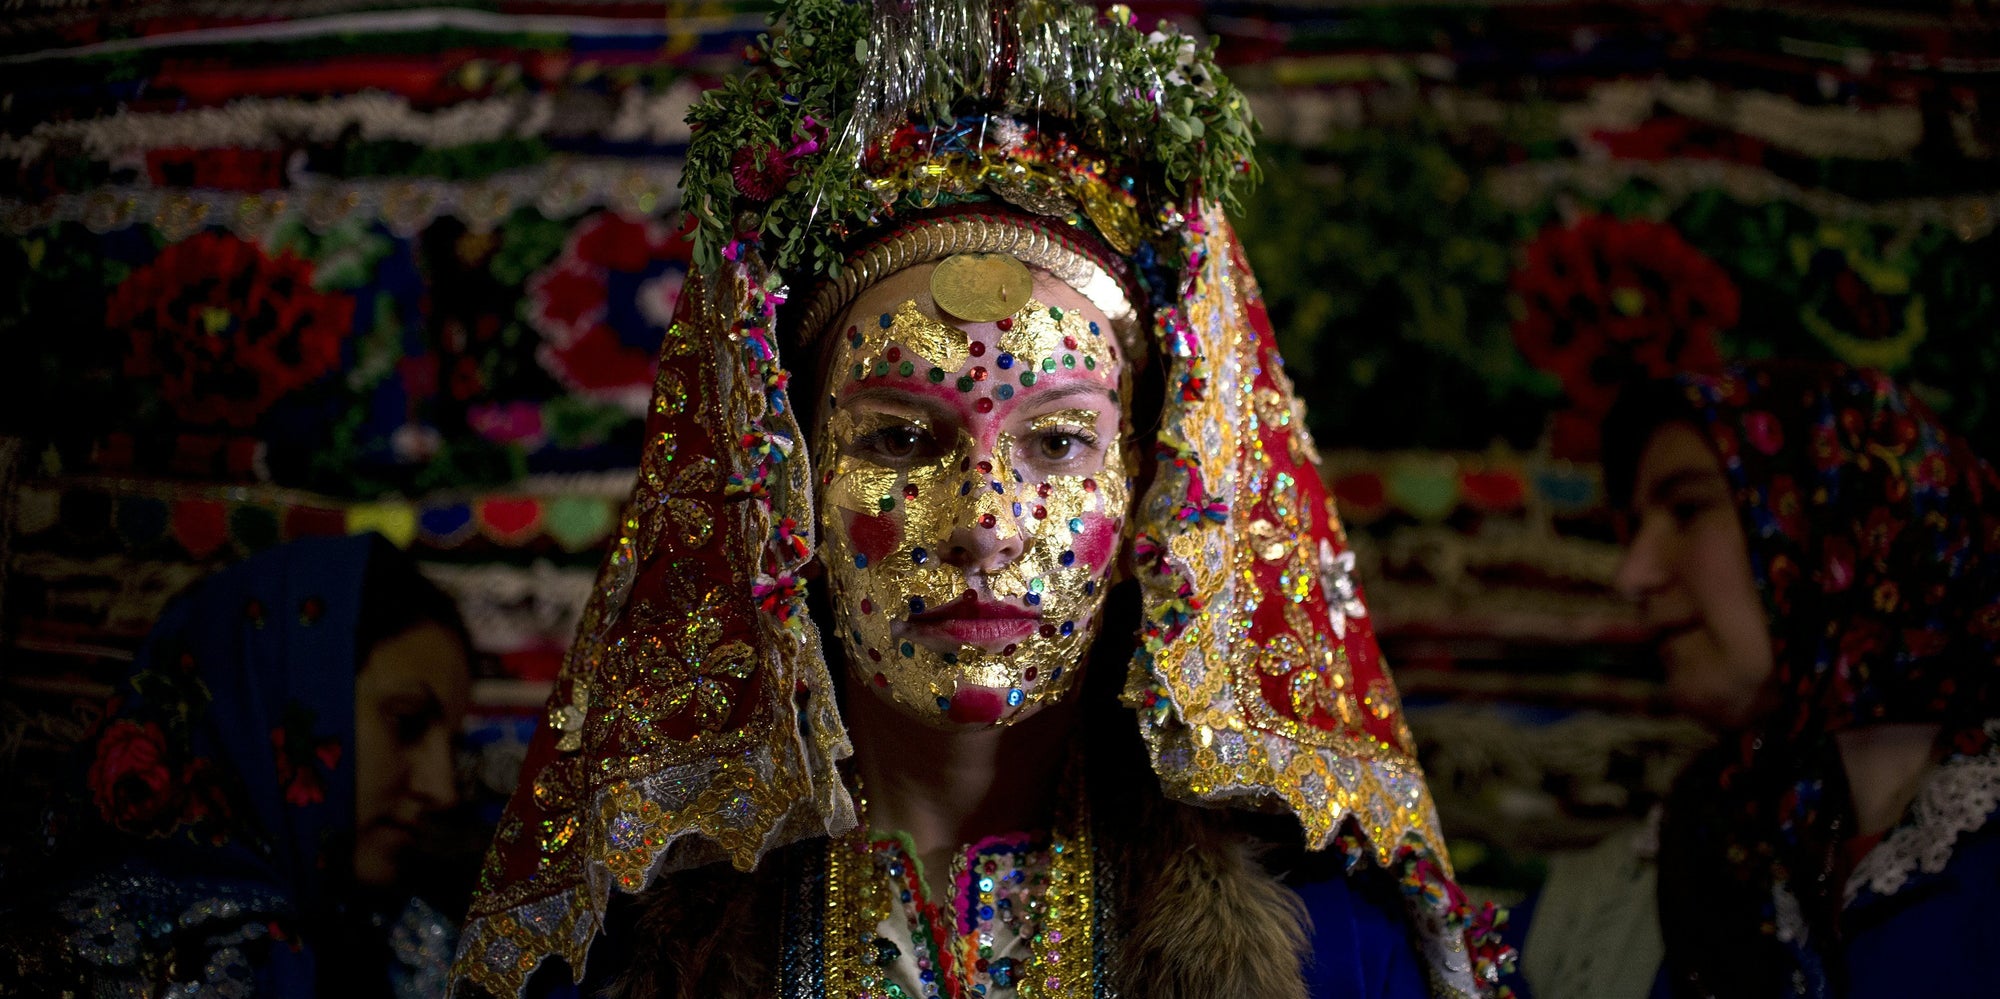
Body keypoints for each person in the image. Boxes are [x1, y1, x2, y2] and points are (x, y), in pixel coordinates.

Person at [451, 2, 1509, 997]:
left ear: (1153, 487)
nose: (983, 525)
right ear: (785, 480)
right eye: (901, 439)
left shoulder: (1336, 954)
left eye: (1055, 442)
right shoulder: (627, 955)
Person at [1570, 361, 2000, 998]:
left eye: (1687, 510)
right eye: (1634, 530)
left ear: (1846, 517)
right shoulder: (1720, 838)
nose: (1633, 575)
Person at [10, 533, 474, 998]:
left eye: (453, 749)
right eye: (407, 723)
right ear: (278, 698)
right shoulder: (73, 963)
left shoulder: (411, 954)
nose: (443, 789)